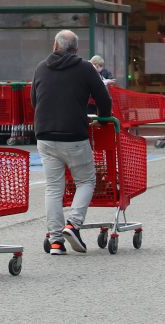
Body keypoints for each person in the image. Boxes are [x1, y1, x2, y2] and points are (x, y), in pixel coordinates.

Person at [32, 30, 113, 255]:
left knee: (53, 188)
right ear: (76, 50)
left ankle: (56, 241)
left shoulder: (40, 67)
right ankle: (73, 224)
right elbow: (104, 99)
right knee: (86, 180)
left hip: (45, 135)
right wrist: (103, 118)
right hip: (73, 135)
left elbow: (34, 100)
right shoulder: (85, 68)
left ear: (54, 46)